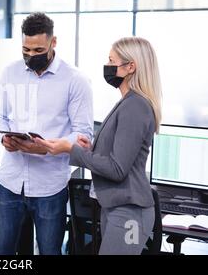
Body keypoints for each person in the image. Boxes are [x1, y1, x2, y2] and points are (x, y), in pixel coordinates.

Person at [34, 37, 162, 255]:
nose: (108, 65)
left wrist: (70, 149)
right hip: (117, 208)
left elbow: (117, 169)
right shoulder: (128, 102)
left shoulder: (135, 106)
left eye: (112, 60)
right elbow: (121, 156)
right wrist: (90, 150)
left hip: (130, 213)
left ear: (130, 66)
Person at [0, 12, 93, 255]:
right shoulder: (9, 73)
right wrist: (3, 138)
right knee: (3, 250)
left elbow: (84, 135)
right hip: (10, 182)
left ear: (53, 42)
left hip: (50, 186)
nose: (31, 56)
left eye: (38, 50)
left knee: (49, 251)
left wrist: (47, 146)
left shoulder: (75, 80)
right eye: (26, 50)